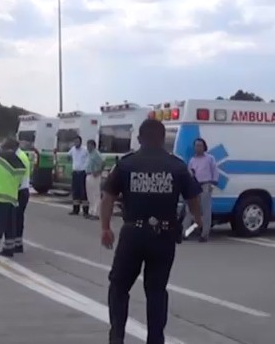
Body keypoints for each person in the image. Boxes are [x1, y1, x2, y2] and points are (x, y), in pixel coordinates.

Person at [100, 119, 203, 344]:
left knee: (119, 286)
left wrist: (105, 228)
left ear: (139, 139)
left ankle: (117, 336)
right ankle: (156, 340)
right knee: (156, 291)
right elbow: (193, 197)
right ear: (163, 139)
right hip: (163, 236)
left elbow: (107, 198)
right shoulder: (177, 166)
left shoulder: (126, 164)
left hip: (132, 235)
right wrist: (197, 220)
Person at [184, 138, 218, 242]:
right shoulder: (192, 160)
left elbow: (215, 171)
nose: (198, 148)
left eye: (200, 145)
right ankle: (185, 232)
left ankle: (204, 234)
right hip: (194, 185)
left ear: (204, 147)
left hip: (205, 185)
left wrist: (213, 184)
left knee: (206, 211)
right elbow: (189, 174)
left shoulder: (210, 158)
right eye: (196, 146)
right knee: (190, 210)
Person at [14, 141, 32, 253]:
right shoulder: (21, 155)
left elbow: (18, 174)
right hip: (22, 190)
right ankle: (17, 243)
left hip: (20, 190)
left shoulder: (19, 157)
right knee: (18, 218)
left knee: (16, 218)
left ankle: (17, 244)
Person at [68, 136, 90, 217]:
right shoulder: (73, 149)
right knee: (75, 191)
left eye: (77, 142)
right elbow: (68, 156)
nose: (76, 143)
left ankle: (85, 211)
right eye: (75, 142)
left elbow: (89, 158)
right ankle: (75, 210)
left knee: (83, 192)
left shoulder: (85, 150)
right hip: (75, 173)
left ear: (80, 142)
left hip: (82, 173)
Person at [85, 139, 104, 219]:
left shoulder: (96, 154)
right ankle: (91, 211)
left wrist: (98, 172)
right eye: (87, 145)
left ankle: (96, 213)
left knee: (96, 194)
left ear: (93, 146)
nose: (88, 147)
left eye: (89, 145)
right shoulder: (89, 153)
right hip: (88, 174)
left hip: (94, 175)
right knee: (90, 195)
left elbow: (103, 163)